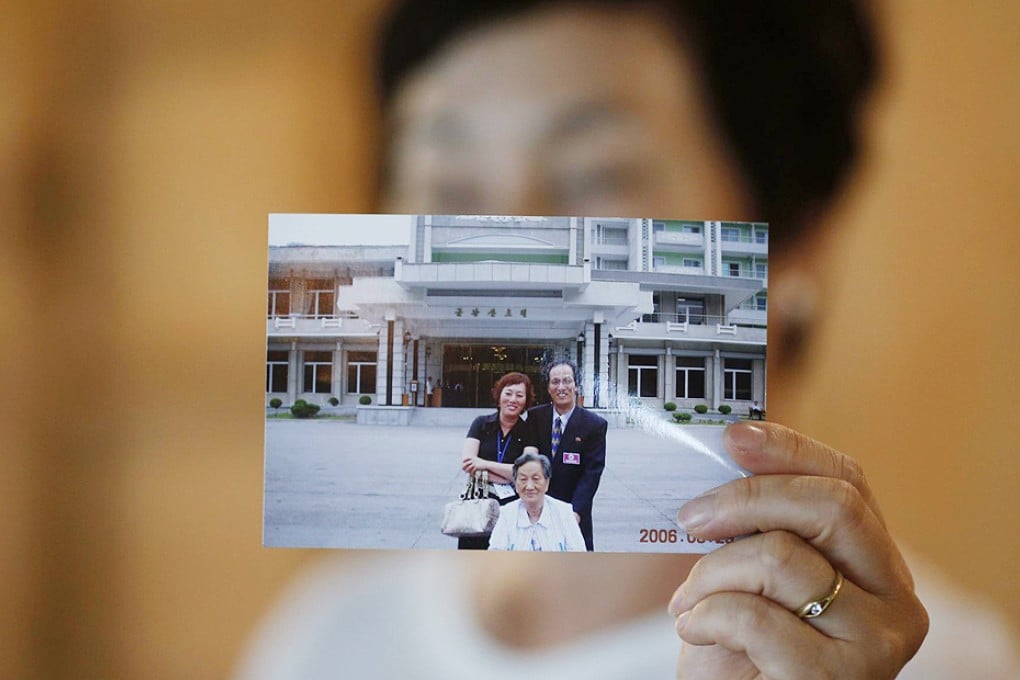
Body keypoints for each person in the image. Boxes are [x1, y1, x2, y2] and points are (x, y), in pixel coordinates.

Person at [235, 1, 1019, 677]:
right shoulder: (324, 640)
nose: (505, 248)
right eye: (449, 186)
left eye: (593, 178)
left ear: (799, 236)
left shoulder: (919, 667)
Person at [527, 359, 606, 551]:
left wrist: (576, 512)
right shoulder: (535, 417)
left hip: (574, 511)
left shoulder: (594, 424)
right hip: (538, 509)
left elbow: (592, 473)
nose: (561, 387)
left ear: (576, 386)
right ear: (548, 388)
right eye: (555, 382)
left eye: (567, 381)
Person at [457, 372, 540, 549]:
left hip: (513, 508)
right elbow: (468, 462)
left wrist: (484, 464)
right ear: (499, 395)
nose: (513, 399)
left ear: (526, 401)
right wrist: (509, 474)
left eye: (519, 395)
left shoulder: (529, 431)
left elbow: (528, 472)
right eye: (508, 393)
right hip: (478, 504)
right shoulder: (481, 424)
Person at [489, 452, 586, 552]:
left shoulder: (564, 512)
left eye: (536, 479)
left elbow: (578, 555)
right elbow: (496, 555)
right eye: (523, 479)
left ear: (547, 482)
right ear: (516, 484)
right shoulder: (507, 513)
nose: (529, 486)